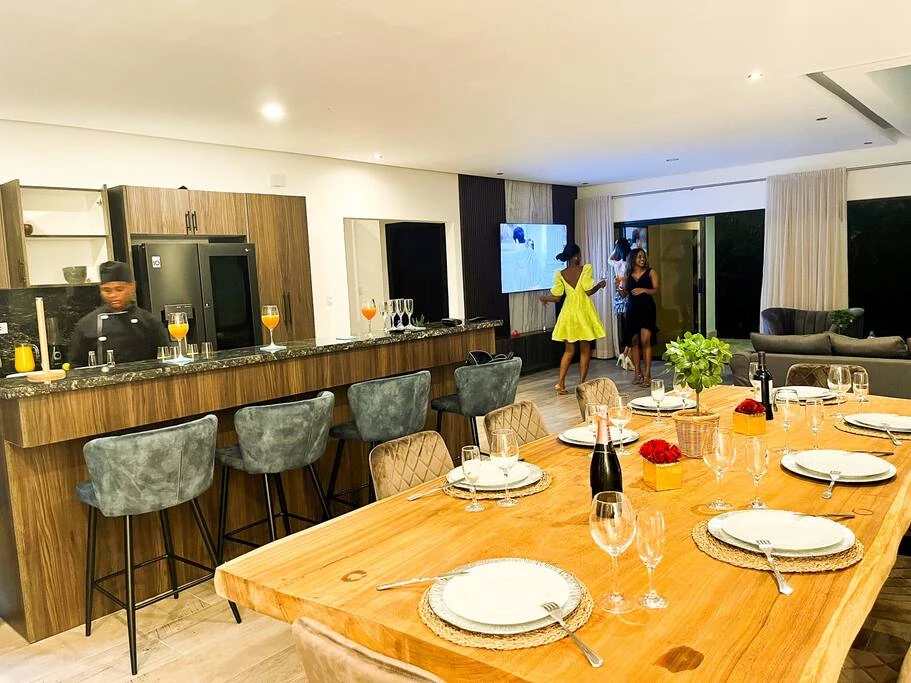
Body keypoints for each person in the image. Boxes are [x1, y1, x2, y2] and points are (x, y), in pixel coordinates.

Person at [68, 261, 170, 366]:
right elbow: (76, 367)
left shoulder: (150, 323)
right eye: (107, 290)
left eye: (119, 289)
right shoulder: (86, 325)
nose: (113, 295)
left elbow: (165, 361)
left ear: (132, 287)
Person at [539, 244, 607, 394]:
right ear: (576, 256)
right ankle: (581, 384)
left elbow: (557, 297)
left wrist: (544, 298)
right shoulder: (585, 269)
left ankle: (560, 383)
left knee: (568, 351)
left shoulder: (560, 273)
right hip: (583, 312)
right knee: (585, 350)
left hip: (568, 313)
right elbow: (588, 291)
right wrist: (600, 285)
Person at [619, 248, 659, 384]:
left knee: (645, 341)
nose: (642, 259)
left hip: (647, 309)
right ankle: (637, 373)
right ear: (633, 259)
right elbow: (624, 294)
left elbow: (655, 290)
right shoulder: (627, 275)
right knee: (633, 342)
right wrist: (619, 287)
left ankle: (647, 374)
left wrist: (643, 290)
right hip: (632, 310)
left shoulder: (651, 272)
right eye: (639, 257)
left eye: (644, 257)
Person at [608, 237, 633, 370]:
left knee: (628, 325)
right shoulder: (628, 263)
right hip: (628, 294)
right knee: (632, 327)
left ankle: (625, 355)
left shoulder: (617, 263)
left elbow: (609, 259)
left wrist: (615, 247)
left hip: (619, 295)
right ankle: (627, 355)